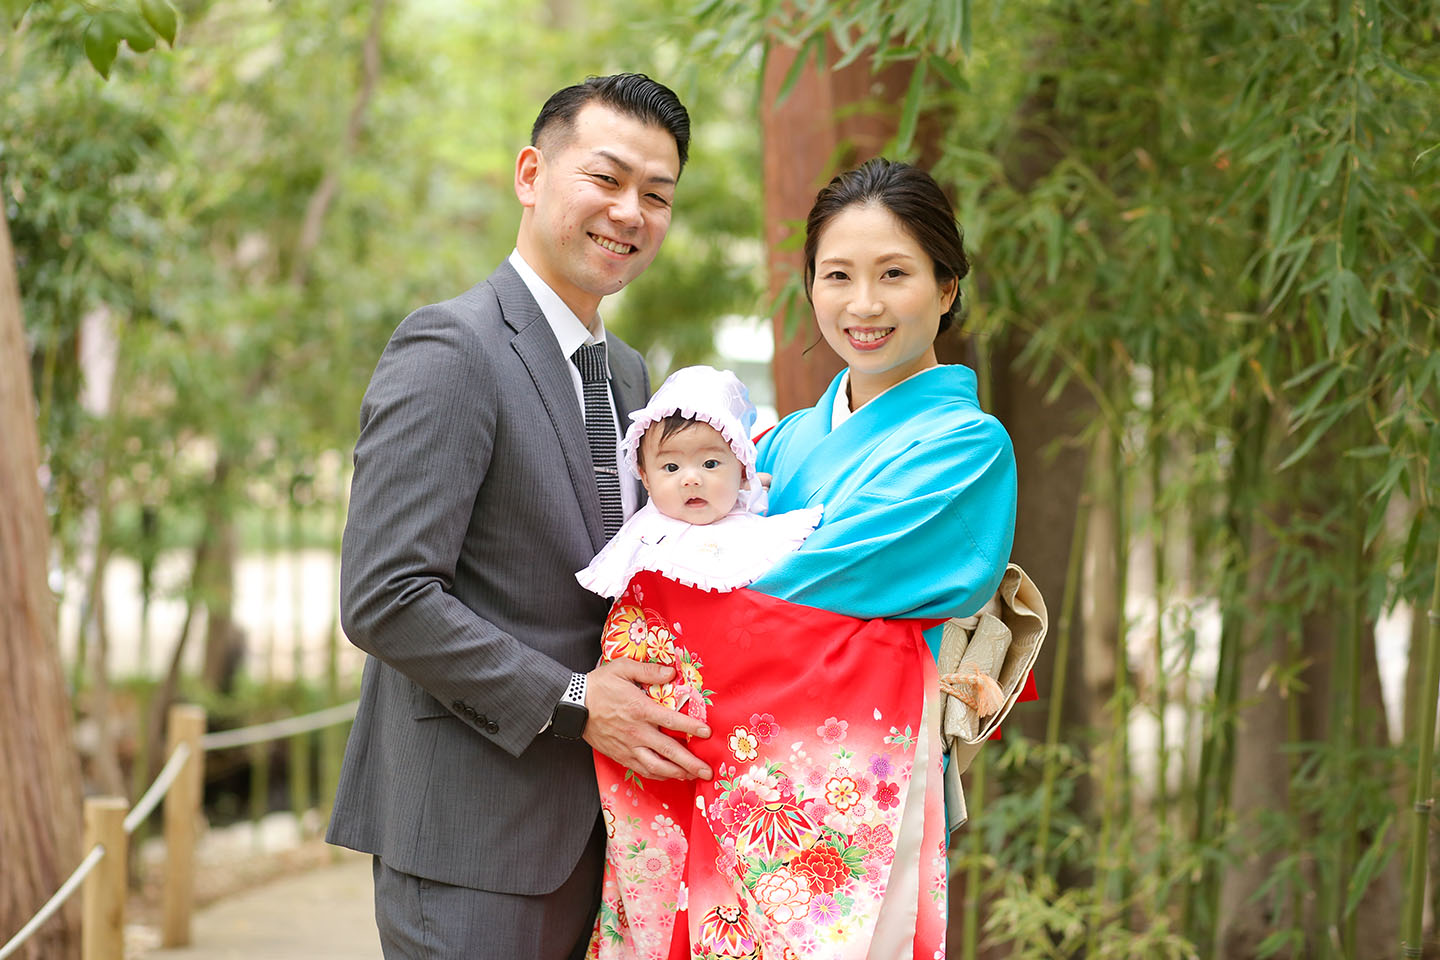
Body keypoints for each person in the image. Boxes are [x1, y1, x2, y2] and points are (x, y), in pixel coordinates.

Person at [584, 160, 1018, 959]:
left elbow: (779, 596)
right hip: (735, 778)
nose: (864, 304)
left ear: (948, 288)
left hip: (849, 782)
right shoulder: (778, 445)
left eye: (895, 274)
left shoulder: (965, 447)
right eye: (837, 275)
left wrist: (663, 612)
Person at [327, 74, 713, 960]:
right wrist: (578, 702)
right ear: (532, 174)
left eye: (657, 195)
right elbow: (385, 596)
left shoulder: (630, 375)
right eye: (606, 179)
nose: (630, 212)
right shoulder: (450, 347)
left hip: (602, 832)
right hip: (471, 836)